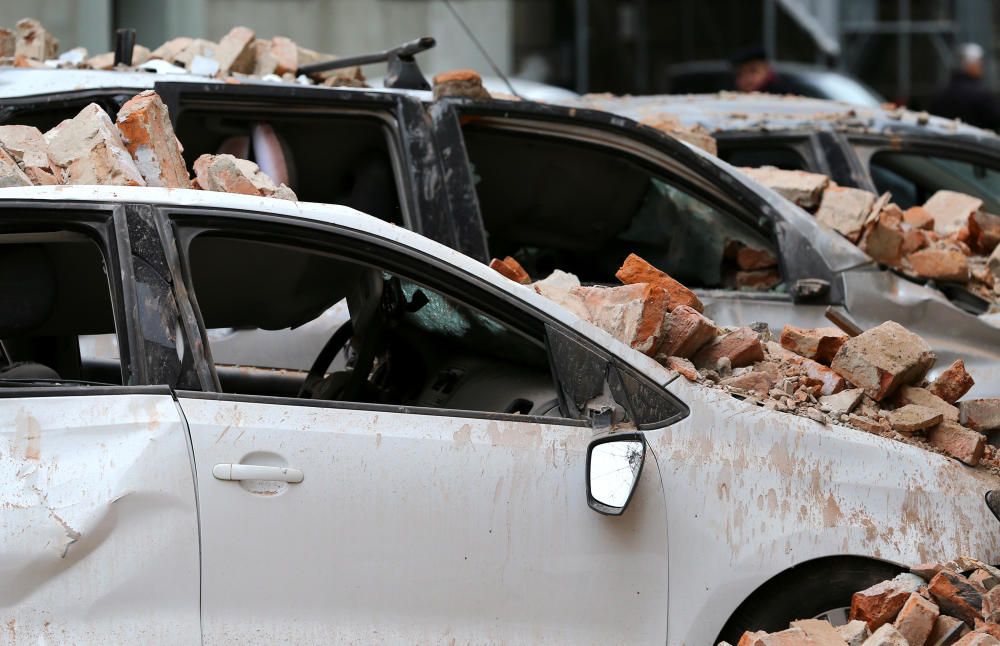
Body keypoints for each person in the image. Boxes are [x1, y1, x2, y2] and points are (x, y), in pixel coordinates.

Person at [930, 43, 1000, 131]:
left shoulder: (942, 93)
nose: (981, 67)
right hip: (975, 143)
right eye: (979, 63)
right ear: (970, 65)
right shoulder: (981, 94)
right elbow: (995, 118)